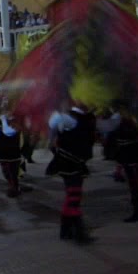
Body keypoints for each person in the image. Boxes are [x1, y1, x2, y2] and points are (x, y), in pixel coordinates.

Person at [45, 103, 97, 244]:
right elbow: (54, 121)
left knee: (72, 196)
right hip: (69, 163)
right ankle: (79, 234)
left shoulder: (86, 117)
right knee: (74, 197)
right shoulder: (71, 117)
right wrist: (51, 139)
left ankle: (66, 231)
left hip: (75, 162)